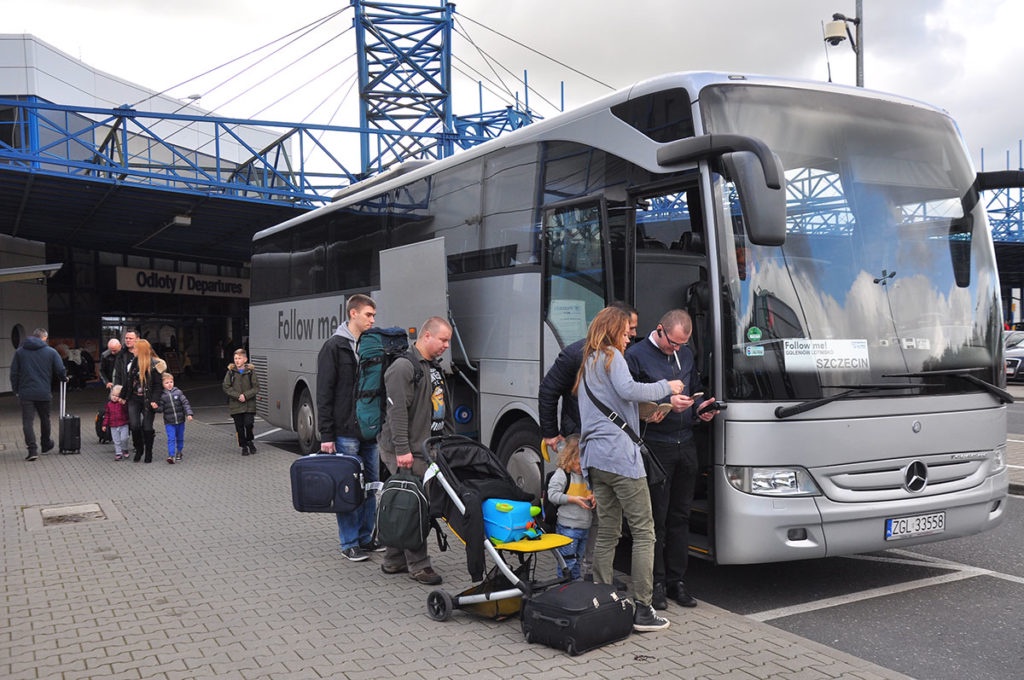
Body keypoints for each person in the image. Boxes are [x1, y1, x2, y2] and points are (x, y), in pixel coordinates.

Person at [575, 306, 683, 633]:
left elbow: (616, 404)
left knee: (608, 529)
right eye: (625, 332)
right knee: (644, 532)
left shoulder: (589, 362)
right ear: (611, 331)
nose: (628, 338)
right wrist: (668, 386)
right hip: (620, 458)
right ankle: (642, 609)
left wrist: (649, 413)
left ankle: (604, 597)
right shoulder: (612, 356)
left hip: (595, 458)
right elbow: (630, 390)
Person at [625, 309, 719, 611]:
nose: (676, 349)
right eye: (672, 344)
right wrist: (667, 404)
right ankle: (656, 583)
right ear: (660, 330)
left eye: (681, 345)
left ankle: (678, 580)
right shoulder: (636, 355)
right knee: (657, 519)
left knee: (681, 516)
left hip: (685, 443)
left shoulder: (687, 355)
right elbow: (631, 402)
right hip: (657, 444)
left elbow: (690, 393)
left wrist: (699, 409)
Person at [378, 316, 455, 586]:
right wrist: (402, 450)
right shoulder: (403, 367)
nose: (446, 345)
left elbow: (442, 407)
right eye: (443, 340)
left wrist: (448, 441)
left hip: (425, 447)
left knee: (404, 501)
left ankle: (393, 559)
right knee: (415, 504)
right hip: (405, 448)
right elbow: (396, 411)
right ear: (426, 336)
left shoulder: (433, 367)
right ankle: (419, 565)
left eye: (449, 341)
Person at [316, 293, 383, 562]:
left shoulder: (371, 345)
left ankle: (366, 538)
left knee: (370, 487)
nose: (373, 320)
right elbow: (324, 393)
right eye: (368, 314)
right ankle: (349, 542)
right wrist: (326, 435)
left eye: (374, 315)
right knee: (348, 488)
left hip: (368, 430)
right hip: (344, 431)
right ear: (353, 313)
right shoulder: (333, 347)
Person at [539, 302, 638, 453]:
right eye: (629, 329)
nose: (633, 335)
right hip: (581, 436)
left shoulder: (627, 354)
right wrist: (550, 433)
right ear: (614, 327)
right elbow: (548, 390)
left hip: (616, 438)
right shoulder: (574, 355)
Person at [10, 328, 67, 461]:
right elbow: (60, 369)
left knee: (27, 422)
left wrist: (16, 390)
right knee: (45, 419)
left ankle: (32, 450)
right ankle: (46, 444)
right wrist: (64, 378)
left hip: (25, 392)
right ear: (44, 338)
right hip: (43, 392)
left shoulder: (20, 352)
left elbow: (14, 373)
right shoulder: (51, 352)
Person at [546, 434, 594, 581]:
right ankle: (564, 585)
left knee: (578, 560)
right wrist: (572, 499)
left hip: (584, 526)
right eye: (578, 464)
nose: (581, 468)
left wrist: (594, 497)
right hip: (568, 527)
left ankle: (575, 587)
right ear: (568, 458)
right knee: (567, 561)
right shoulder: (562, 475)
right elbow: (552, 495)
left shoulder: (587, 476)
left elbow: (593, 491)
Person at [120, 338, 166, 463]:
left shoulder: (154, 365)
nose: (133, 350)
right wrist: (122, 396)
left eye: (135, 348)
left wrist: (155, 400)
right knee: (134, 426)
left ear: (141, 350)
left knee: (147, 427)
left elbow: (158, 386)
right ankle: (139, 449)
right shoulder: (134, 363)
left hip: (148, 400)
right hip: (134, 399)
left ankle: (149, 452)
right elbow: (128, 382)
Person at [223, 348, 260, 455]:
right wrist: (238, 396)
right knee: (239, 427)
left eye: (239, 358)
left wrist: (246, 395)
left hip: (249, 404)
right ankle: (243, 446)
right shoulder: (230, 372)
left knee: (249, 424)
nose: (237, 360)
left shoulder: (250, 372)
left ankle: (249, 440)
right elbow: (226, 387)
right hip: (236, 405)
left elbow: (256, 387)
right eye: (235, 358)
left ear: (245, 359)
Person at [157, 372, 193, 464]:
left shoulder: (178, 392)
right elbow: (160, 409)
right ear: (162, 384)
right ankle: (171, 455)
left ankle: (179, 452)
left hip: (180, 420)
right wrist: (155, 407)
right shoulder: (161, 395)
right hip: (169, 422)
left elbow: (185, 403)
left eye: (171, 382)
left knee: (180, 437)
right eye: (166, 383)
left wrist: (189, 413)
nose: (169, 384)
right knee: (171, 438)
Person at [102, 385, 131, 461]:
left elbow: (127, 411)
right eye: (113, 395)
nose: (114, 397)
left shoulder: (122, 404)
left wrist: (124, 403)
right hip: (113, 426)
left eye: (117, 396)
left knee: (124, 438)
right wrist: (104, 424)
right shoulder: (109, 404)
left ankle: (124, 448)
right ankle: (118, 453)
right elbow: (107, 415)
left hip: (123, 424)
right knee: (116, 440)